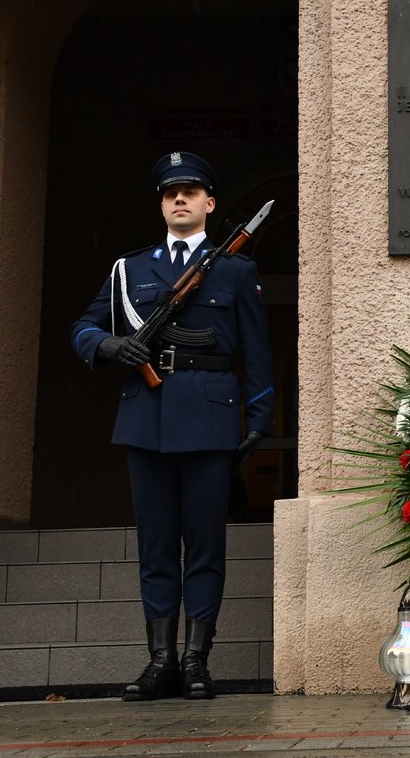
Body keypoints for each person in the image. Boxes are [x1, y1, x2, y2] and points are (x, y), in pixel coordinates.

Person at [70, 151, 274, 700]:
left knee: (205, 546)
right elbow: (84, 327)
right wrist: (109, 345)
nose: (179, 199)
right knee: (156, 546)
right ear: (161, 205)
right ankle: (160, 661)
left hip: (209, 421)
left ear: (209, 203)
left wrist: (258, 418)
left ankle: (196, 660)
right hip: (146, 419)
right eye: (169, 193)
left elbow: (257, 354)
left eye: (190, 192)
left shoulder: (234, 270)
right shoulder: (129, 269)